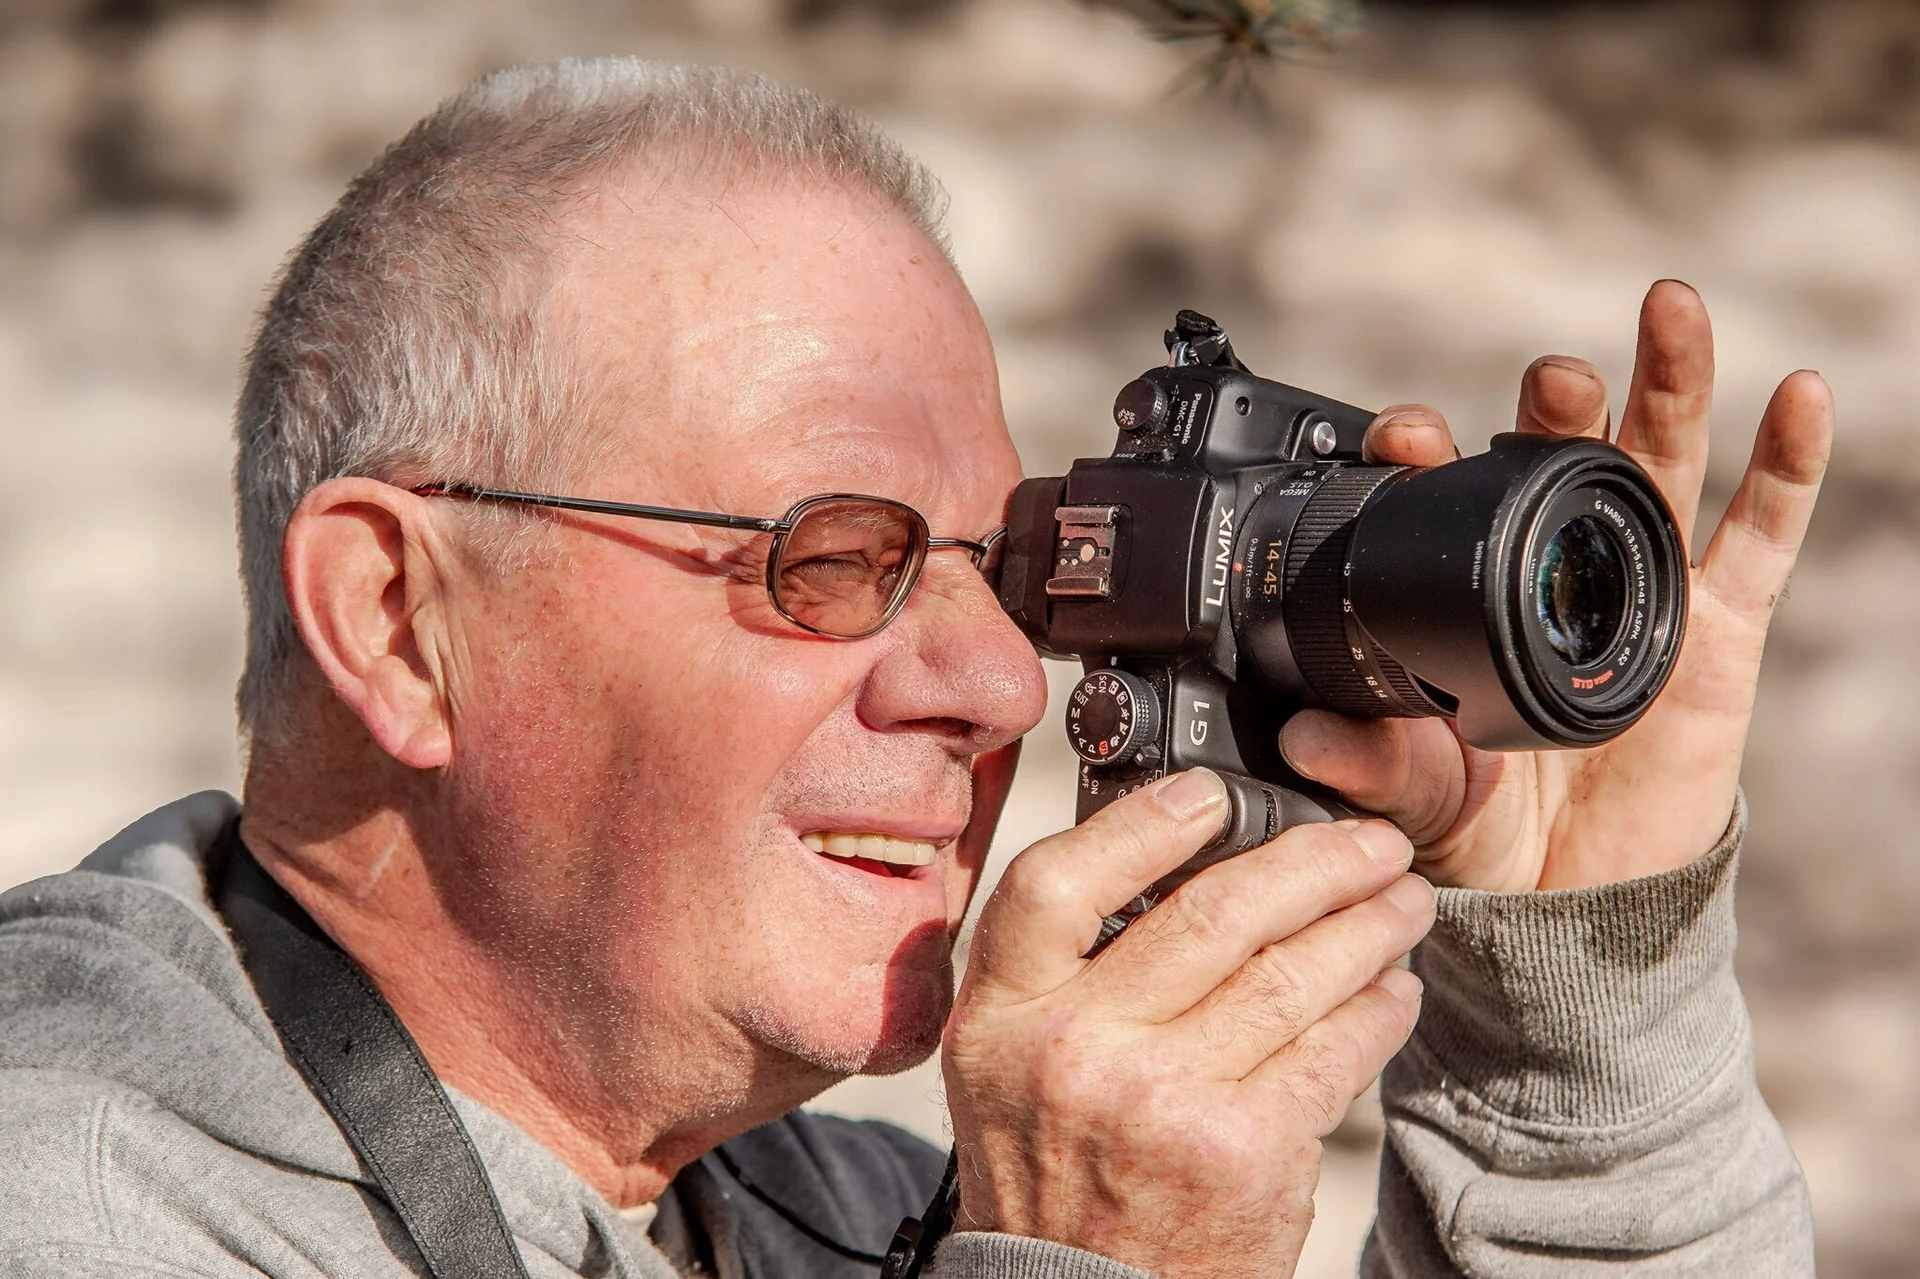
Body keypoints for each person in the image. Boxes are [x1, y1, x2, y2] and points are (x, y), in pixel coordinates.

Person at [0, 58, 1829, 1279]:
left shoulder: (852, 1219)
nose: (1003, 688)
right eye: (841, 558)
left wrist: (1582, 1038)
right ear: (401, 621)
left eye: (1010, 569)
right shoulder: (74, 1198)